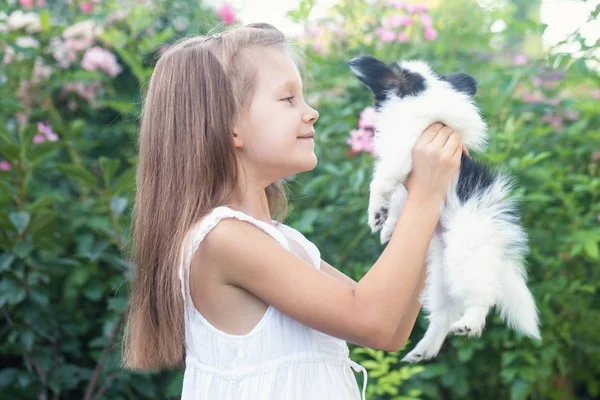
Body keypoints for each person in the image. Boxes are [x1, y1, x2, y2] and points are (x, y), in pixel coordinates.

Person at [122, 22, 466, 400]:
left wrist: (427, 198)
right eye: (288, 99)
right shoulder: (222, 238)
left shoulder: (282, 240)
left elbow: (394, 326)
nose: (311, 112)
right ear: (229, 125)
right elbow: (375, 322)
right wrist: (424, 197)